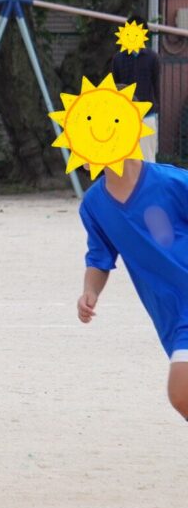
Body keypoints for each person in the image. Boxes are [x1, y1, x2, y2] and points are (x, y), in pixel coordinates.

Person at [75, 158, 188, 422]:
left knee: (181, 392)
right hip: (169, 313)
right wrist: (90, 291)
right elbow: (99, 257)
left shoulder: (172, 181)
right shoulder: (94, 204)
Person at [112, 16, 160, 162]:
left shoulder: (152, 58)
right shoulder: (118, 59)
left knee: (148, 157)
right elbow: (115, 87)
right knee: (125, 157)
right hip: (124, 115)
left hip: (147, 115)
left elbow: (156, 85)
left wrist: (156, 110)